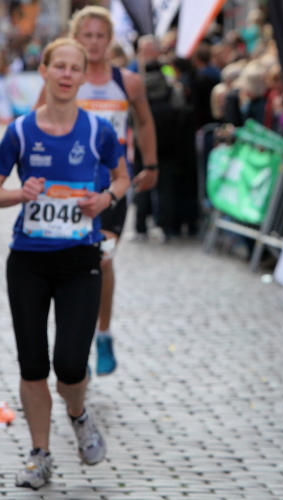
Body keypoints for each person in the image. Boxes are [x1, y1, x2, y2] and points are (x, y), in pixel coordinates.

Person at [0, 38, 130, 490]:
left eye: (76, 68)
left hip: (79, 260)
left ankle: (77, 413)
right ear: (45, 70)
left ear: (81, 75)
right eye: (60, 66)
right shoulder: (19, 132)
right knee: (33, 364)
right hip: (28, 261)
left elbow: (122, 177)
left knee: (71, 364)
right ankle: (39, 455)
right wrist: (19, 194)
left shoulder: (98, 131)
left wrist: (105, 199)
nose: (68, 75)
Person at [62, 6, 158, 376]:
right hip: (69, 187)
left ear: (109, 39)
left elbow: (144, 122)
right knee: (73, 263)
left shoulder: (127, 82)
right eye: (86, 35)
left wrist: (151, 165)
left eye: (100, 35)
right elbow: (38, 121)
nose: (94, 42)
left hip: (113, 183)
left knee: (102, 260)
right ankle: (76, 342)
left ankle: (102, 334)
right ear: (75, 38)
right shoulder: (66, 79)